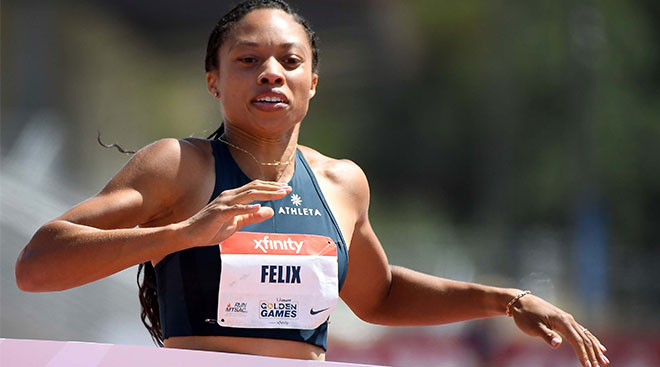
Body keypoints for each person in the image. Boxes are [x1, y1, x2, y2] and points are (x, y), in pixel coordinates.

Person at [15, 1, 609, 366]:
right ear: (213, 80)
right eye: (247, 60)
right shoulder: (180, 166)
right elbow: (36, 265)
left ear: (313, 82)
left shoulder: (341, 183)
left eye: (289, 61)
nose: (270, 72)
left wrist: (506, 300)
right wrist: (182, 234)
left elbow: (377, 297)